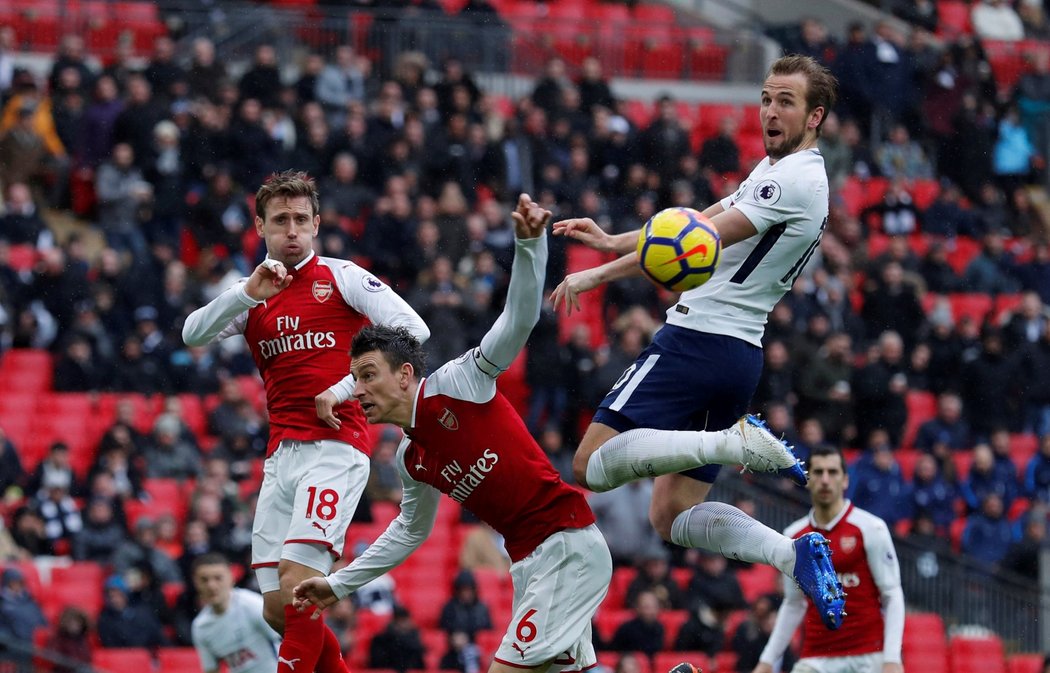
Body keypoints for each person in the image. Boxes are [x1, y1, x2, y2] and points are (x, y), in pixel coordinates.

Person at [549, 54, 846, 629]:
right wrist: (611, 244)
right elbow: (695, 221)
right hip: (739, 355)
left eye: (785, 101)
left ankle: (732, 445)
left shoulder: (795, 178)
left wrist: (598, 271)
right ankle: (792, 553)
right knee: (671, 514)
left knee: (587, 466)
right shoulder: (779, 170)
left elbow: (694, 239)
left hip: (695, 340)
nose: (769, 111)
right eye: (765, 98)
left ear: (816, 117)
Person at [293, 196, 620, 673]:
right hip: (530, 565)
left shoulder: (459, 383)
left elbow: (518, 321)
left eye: (367, 376)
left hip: (565, 547)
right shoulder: (412, 459)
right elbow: (409, 531)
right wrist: (341, 584)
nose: (357, 391)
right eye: (354, 379)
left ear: (404, 374)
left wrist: (529, 246)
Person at [182, 170, 430, 673]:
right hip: (281, 457)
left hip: (337, 449)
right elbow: (192, 334)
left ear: (316, 224)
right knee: (279, 609)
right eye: (280, 220)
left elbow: (413, 329)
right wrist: (247, 292)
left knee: (299, 583)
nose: (291, 230)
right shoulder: (254, 295)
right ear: (261, 227)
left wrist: (347, 386)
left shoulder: (341, 276)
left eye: (300, 219)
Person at [753, 445, 904, 673]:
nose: (825, 480)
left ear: (845, 480)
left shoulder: (871, 528)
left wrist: (892, 658)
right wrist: (767, 661)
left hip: (869, 657)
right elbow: (794, 603)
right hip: (815, 659)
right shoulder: (794, 537)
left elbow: (892, 594)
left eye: (832, 472)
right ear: (808, 479)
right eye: (818, 472)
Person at [190, 552, 281, 673]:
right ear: (195, 583)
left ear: (231, 577)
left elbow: (284, 640)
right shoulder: (200, 627)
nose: (211, 586)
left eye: (218, 578)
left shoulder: (251, 604)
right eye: (204, 580)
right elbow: (211, 669)